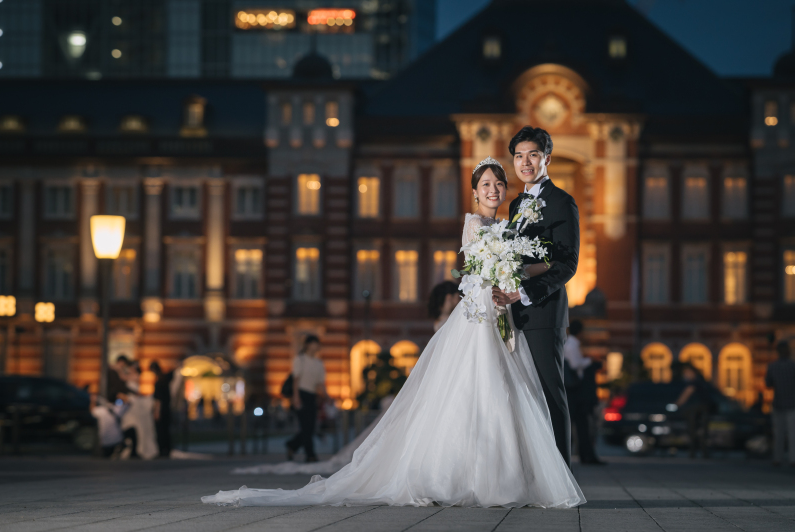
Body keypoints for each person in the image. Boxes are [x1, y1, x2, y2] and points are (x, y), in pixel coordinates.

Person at [203, 155, 584, 508]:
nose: (493, 189)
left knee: (501, 389)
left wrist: (534, 272)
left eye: (498, 184)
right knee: (474, 389)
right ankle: (461, 474)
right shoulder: (474, 223)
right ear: (474, 191)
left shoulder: (508, 225)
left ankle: (503, 474)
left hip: (501, 307)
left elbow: (513, 264)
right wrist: (512, 272)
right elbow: (479, 269)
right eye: (486, 183)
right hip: (482, 310)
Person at [492, 126, 580, 466]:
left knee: (550, 393)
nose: (525, 162)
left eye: (532, 155)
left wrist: (523, 292)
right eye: (518, 156)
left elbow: (567, 264)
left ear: (546, 158)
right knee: (524, 394)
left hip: (543, 313)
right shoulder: (515, 204)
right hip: (515, 316)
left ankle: (562, 476)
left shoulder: (561, 202)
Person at [564, 320, 605, 465]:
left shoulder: (569, 343)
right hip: (575, 390)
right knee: (579, 424)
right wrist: (588, 361)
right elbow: (575, 365)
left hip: (574, 391)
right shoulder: (572, 345)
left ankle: (584, 455)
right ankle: (584, 455)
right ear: (580, 332)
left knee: (577, 424)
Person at [285, 335, 326, 463]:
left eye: (317, 344)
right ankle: (310, 454)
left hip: (312, 396)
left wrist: (326, 396)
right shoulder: (300, 359)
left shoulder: (319, 363)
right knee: (306, 426)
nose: (316, 346)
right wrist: (296, 397)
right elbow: (296, 380)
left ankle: (292, 445)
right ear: (308, 345)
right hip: (301, 394)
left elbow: (320, 383)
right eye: (314, 343)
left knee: (310, 427)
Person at [766, 340, 795, 467]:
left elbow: (768, 384)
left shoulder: (772, 366)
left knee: (779, 433)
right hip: (792, 404)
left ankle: (777, 458)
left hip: (778, 403)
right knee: (792, 433)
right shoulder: (793, 366)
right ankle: (793, 459)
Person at [675, 364, 711, 459]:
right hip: (704, 409)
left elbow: (687, 393)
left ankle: (693, 452)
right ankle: (703, 453)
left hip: (695, 409)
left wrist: (677, 404)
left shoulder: (694, 382)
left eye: (686, 373)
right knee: (702, 432)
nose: (685, 375)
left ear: (692, 372)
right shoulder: (702, 381)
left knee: (692, 431)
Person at [150, 361, 173, 458]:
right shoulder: (165, 380)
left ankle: (162, 450)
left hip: (161, 409)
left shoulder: (159, 382)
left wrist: (156, 411)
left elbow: (158, 399)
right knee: (166, 430)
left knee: (160, 431)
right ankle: (167, 450)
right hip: (167, 408)